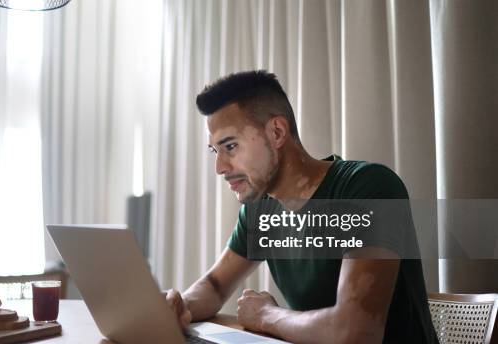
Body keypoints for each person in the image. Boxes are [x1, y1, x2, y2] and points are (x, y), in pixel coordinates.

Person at [165, 70, 438, 343]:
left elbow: (355, 332)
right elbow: (214, 286)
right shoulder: (261, 209)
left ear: (277, 132)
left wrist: (266, 316)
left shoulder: (367, 188)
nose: (220, 167)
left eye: (231, 147)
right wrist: (180, 306)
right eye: (215, 151)